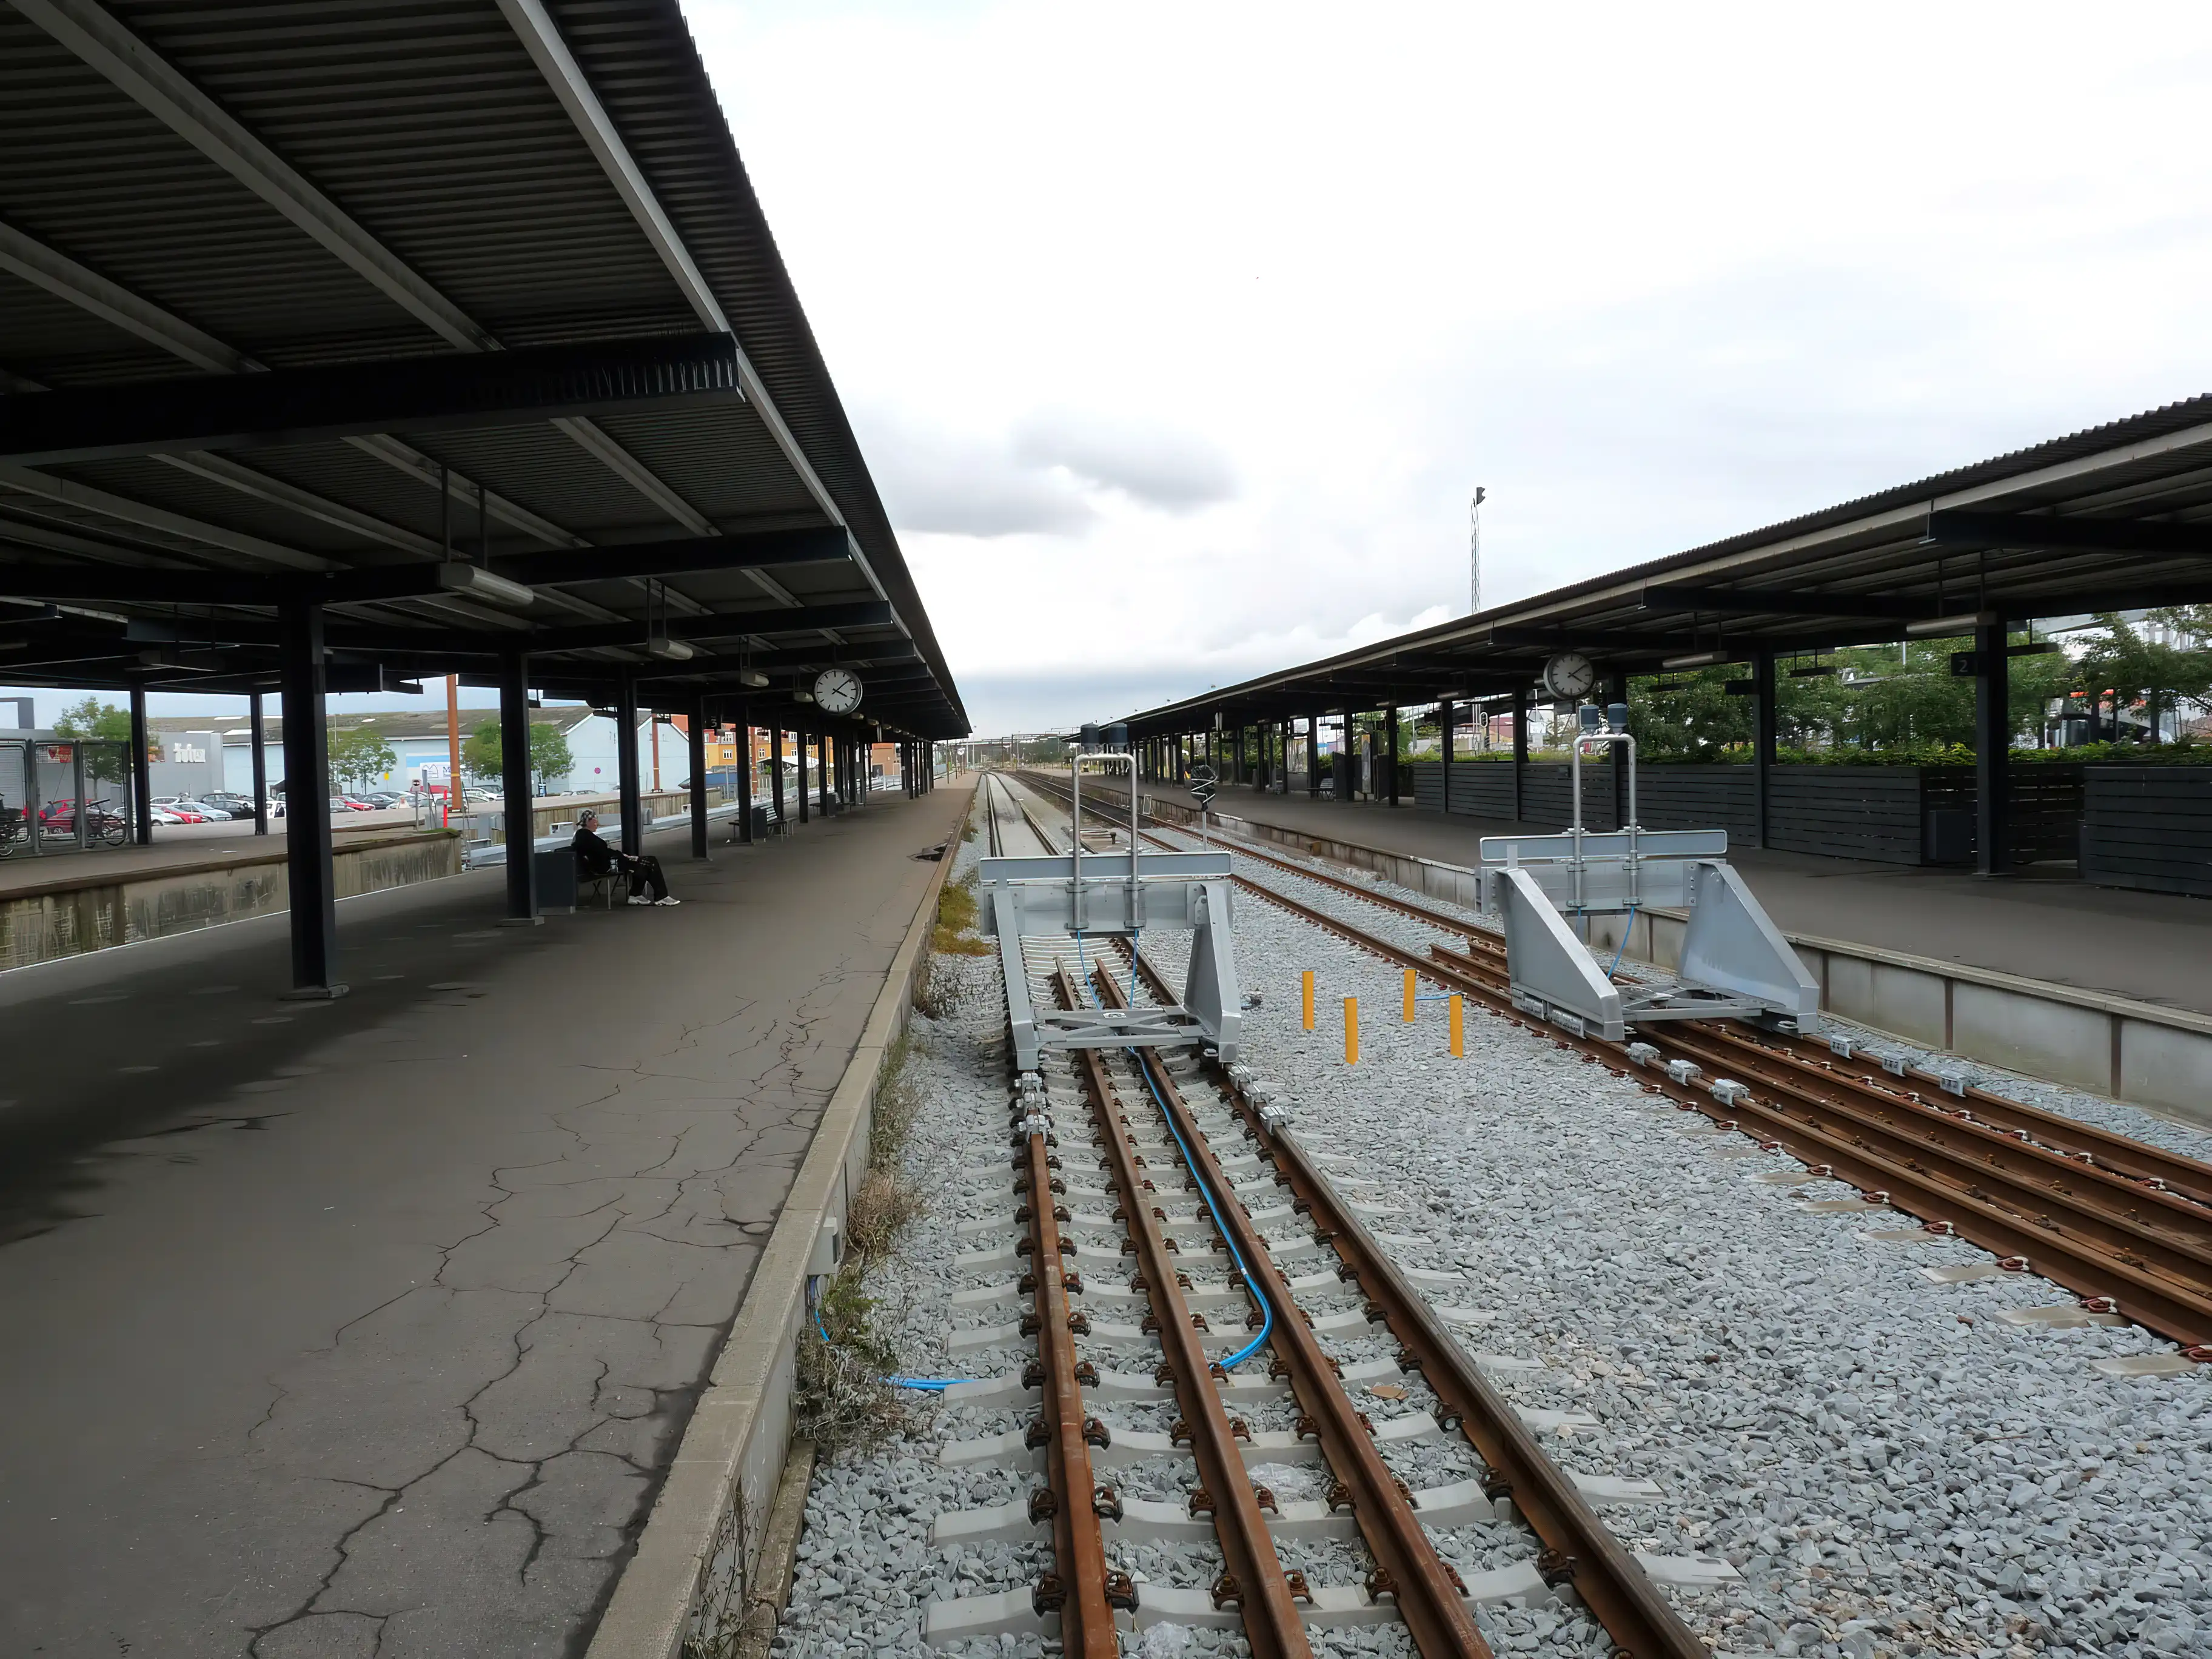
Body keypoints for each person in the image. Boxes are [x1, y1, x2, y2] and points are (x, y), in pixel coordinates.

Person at [572, 809, 679, 905]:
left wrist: (622, 856)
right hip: (608, 865)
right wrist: (622, 856)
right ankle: (658, 896)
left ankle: (638, 895)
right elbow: (601, 852)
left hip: (609, 862)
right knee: (649, 862)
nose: (597, 825)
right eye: (595, 822)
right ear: (588, 822)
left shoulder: (584, 835)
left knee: (646, 863)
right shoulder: (585, 836)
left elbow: (598, 852)